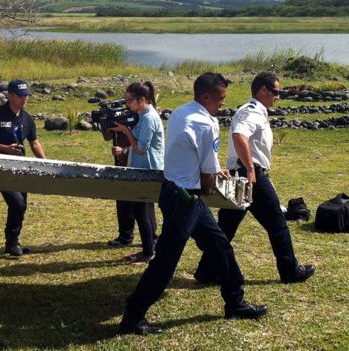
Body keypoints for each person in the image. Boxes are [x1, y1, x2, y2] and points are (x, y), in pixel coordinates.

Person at [118, 73, 268, 335]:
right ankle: (133, 316)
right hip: (185, 199)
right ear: (206, 96)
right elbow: (206, 178)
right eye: (220, 99)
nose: (223, 104)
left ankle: (235, 301)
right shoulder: (205, 124)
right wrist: (214, 181)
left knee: (219, 245)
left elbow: (193, 156)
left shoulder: (180, 112)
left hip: (176, 192)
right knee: (165, 260)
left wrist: (210, 170)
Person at [193, 72, 315, 286]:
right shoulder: (252, 113)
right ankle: (290, 270)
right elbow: (239, 136)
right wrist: (250, 168)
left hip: (245, 173)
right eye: (275, 92)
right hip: (252, 175)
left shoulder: (254, 112)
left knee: (226, 226)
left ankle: (207, 271)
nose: (278, 96)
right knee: (277, 223)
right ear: (263, 90)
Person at [0, 79, 46, 256]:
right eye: (20, 96)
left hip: (21, 167)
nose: (24, 99)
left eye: (26, 96)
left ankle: (12, 241)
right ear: (10, 96)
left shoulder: (27, 118)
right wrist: (5, 149)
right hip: (0, 167)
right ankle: (12, 240)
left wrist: (46, 162)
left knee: (22, 204)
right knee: (16, 202)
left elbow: (34, 142)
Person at [109, 81, 163, 264]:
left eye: (130, 100)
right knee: (141, 210)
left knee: (141, 211)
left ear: (142, 99)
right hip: (141, 168)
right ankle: (148, 249)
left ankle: (148, 252)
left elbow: (141, 148)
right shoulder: (143, 114)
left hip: (148, 168)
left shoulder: (149, 117)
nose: (128, 104)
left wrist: (126, 131)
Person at [101, 128, 139, 248]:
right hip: (121, 163)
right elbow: (107, 137)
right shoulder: (118, 117)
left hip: (137, 162)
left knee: (142, 203)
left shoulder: (141, 117)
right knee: (122, 199)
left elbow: (145, 143)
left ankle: (151, 237)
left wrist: (124, 151)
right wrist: (106, 125)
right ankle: (125, 236)